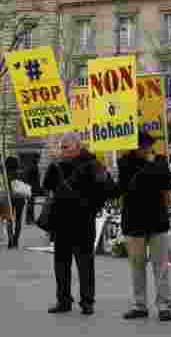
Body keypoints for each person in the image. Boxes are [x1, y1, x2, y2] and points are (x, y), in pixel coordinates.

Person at [42, 132, 117, 315]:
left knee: (85, 264)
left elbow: (109, 190)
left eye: (65, 147)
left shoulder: (92, 164)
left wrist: (92, 204)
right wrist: (52, 166)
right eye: (61, 147)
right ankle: (63, 300)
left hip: (83, 221)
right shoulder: (58, 165)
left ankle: (87, 301)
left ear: (77, 146)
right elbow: (46, 185)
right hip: (61, 221)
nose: (62, 150)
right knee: (61, 264)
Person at [117, 132, 171, 322]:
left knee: (161, 266)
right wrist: (151, 169)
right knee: (137, 266)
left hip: (157, 221)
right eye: (141, 146)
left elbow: (167, 181)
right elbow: (129, 185)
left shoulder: (161, 160)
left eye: (148, 145)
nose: (145, 149)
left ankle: (164, 306)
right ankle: (139, 305)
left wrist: (152, 165)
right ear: (134, 147)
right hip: (134, 221)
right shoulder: (125, 161)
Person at [5, 157, 30, 249]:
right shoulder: (21, 174)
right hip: (20, 199)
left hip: (8, 199)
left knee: (9, 219)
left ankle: (10, 240)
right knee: (18, 219)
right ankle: (16, 240)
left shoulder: (5, 174)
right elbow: (26, 186)